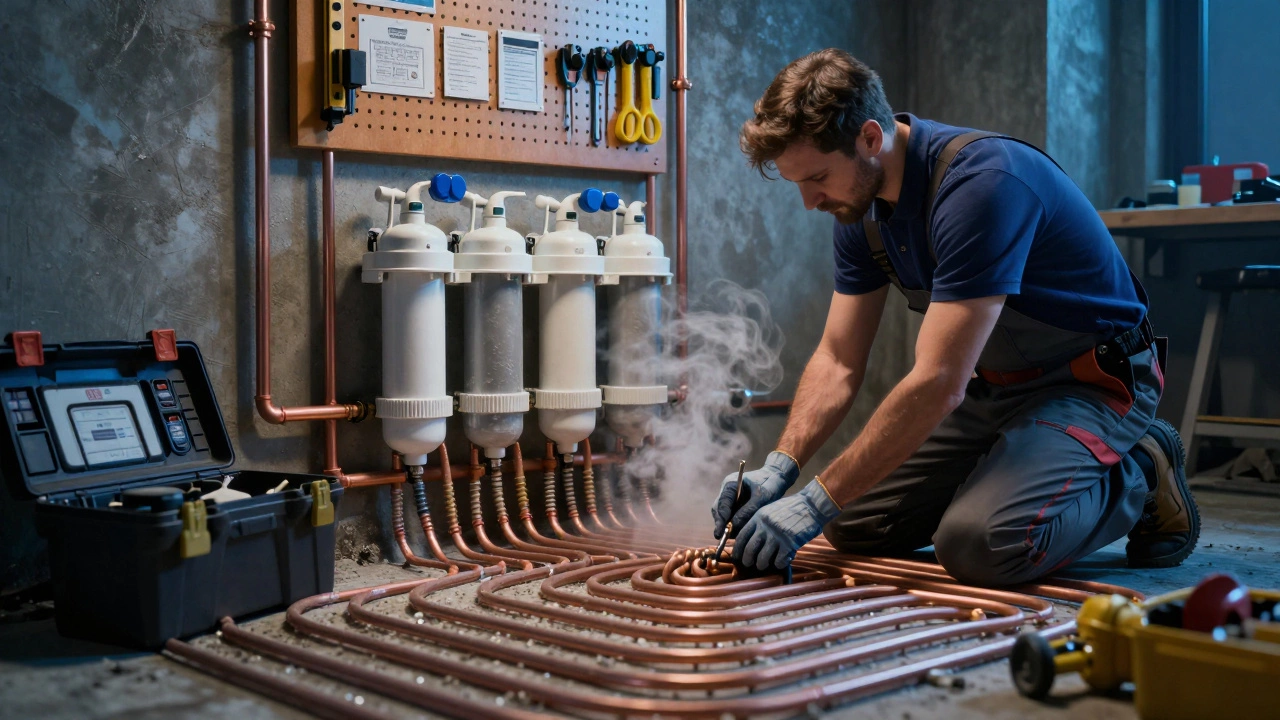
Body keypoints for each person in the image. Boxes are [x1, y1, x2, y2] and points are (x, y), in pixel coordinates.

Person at [711, 49, 1199, 587]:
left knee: (981, 545)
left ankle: (1142, 469)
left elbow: (940, 381)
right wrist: (782, 469)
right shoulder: (858, 209)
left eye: (818, 178)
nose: (809, 202)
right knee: (851, 522)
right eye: (798, 183)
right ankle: (1014, 468)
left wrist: (812, 504)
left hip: (1095, 383)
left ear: (870, 139)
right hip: (997, 390)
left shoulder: (982, 185)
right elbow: (837, 360)